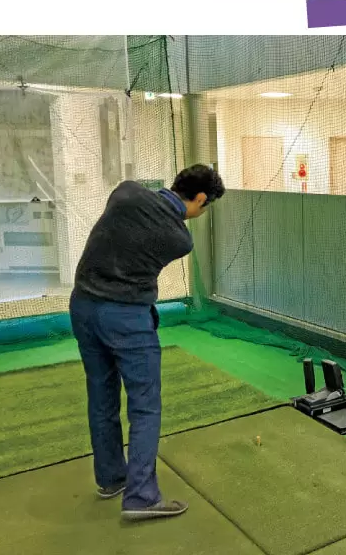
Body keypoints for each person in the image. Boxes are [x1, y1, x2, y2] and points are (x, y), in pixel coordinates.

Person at [69, 164, 225, 521]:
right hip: (126, 318)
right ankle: (140, 496)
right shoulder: (180, 240)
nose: (202, 213)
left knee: (101, 396)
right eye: (205, 206)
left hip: (83, 307)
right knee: (145, 406)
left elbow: (134, 211)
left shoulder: (126, 191)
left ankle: (112, 478)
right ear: (200, 198)